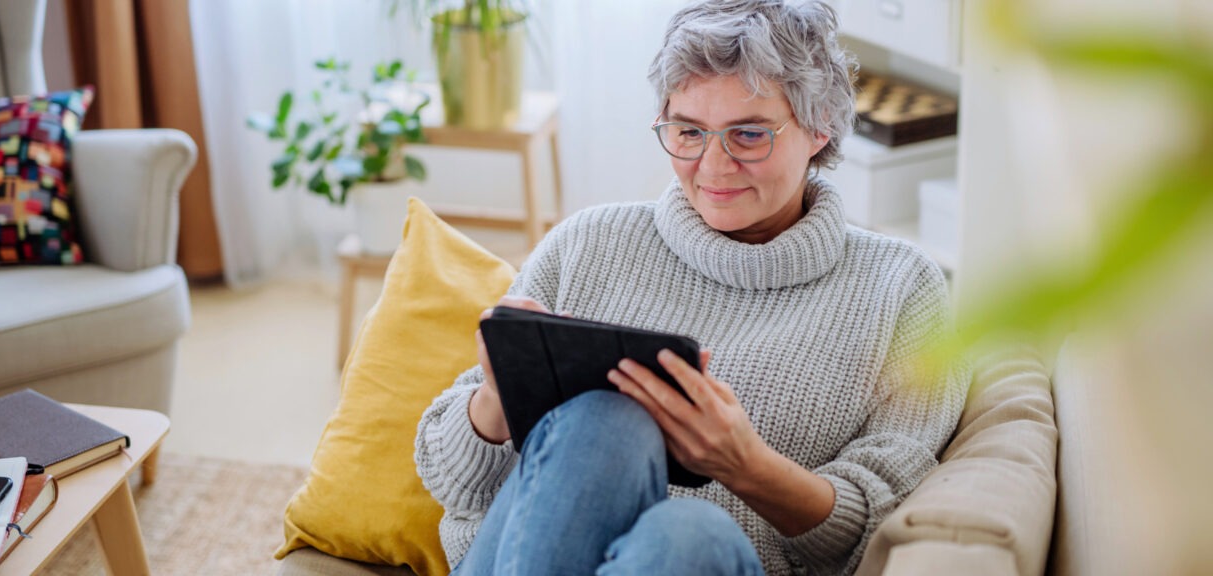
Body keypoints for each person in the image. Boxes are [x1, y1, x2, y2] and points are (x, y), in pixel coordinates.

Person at [414, 1, 967, 574]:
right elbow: (451, 482)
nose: (714, 165)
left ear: (819, 125)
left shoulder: (900, 288)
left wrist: (747, 466)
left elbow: (882, 528)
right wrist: (496, 399)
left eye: (749, 135)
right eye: (689, 131)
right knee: (607, 423)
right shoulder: (587, 243)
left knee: (689, 534)